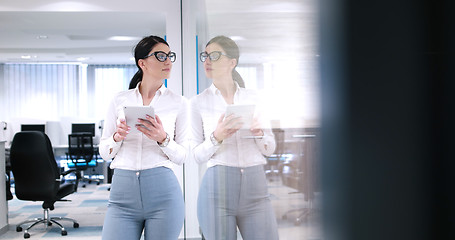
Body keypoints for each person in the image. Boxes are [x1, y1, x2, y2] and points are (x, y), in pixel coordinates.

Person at [191, 35, 279, 240]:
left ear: (232, 62)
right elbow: (196, 155)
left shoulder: (254, 98)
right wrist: (216, 136)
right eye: (205, 55)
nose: (207, 61)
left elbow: (270, 148)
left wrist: (260, 134)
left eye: (214, 55)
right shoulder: (198, 102)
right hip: (217, 190)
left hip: (256, 187)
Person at [99, 35, 187, 240]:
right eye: (160, 55)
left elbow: (182, 156)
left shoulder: (179, 103)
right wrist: (116, 137)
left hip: (163, 195)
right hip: (122, 194)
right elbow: (104, 152)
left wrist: (162, 138)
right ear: (142, 63)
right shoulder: (120, 100)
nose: (168, 61)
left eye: (169, 56)